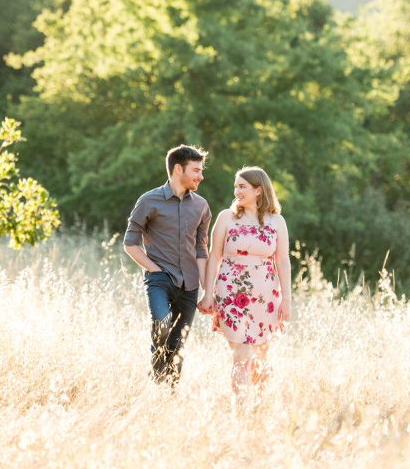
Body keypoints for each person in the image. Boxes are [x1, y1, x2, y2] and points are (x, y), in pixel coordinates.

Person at [197, 166, 291, 395]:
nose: (237, 191)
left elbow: (283, 261)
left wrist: (287, 299)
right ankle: (239, 412)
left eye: (242, 186)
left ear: (258, 190)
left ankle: (258, 410)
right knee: (242, 355)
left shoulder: (277, 222)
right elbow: (214, 257)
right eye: (236, 186)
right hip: (231, 295)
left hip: (266, 297)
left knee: (261, 357)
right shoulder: (226, 218)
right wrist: (208, 293)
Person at [123, 145, 212, 386]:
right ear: (177, 169)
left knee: (177, 343)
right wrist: (154, 269)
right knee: (161, 323)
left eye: (201, 171)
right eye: (195, 170)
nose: (200, 176)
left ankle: (167, 392)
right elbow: (130, 243)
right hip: (159, 279)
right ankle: (157, 376)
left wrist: (208, 291)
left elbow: (202, 250)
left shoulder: (202, 206)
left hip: (190, 285)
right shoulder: (148, 200)